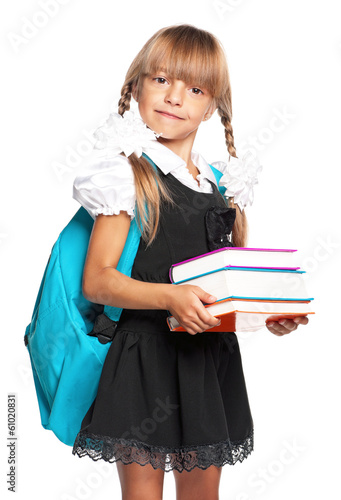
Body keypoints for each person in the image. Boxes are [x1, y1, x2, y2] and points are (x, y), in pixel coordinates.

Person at [71, 24, 308, 500]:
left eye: (194, 88)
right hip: (143, 359)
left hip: (206, 363)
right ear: (134, 85)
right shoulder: (125, 173)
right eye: (161, 79)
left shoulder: (221, 184)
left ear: (213, 104)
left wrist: (267, 315)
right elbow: (98, 281)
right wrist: (168, 296)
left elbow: (220, 289)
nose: (174, 96)